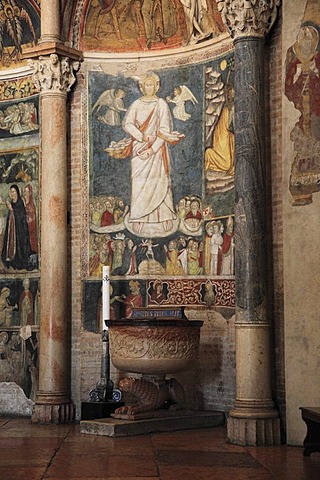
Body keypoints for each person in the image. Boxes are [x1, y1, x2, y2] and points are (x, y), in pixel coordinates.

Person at [123, 71, 182, 236]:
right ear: (142, 87)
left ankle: (165, 215)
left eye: (152, 84)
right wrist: (142, 137)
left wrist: (152, 149)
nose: (149, 87)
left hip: (156, 150)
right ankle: (139, 216)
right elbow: (128, 124)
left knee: (160, 182)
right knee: (140, 183)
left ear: (157, 86)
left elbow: (164, 130)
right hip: (139, 148)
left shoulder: (161, 104)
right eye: (146, 84)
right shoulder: (136, 104)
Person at [1, 184, 34, 270]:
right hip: (12, 230)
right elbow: (10, 217)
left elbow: (22, 216)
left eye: (13, 192)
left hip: (20, 231)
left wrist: (11, 209)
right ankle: (9, 256)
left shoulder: (20, 202)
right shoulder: (12, 203)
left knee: (19, 251)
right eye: (10, 192)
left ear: (17, 192)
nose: (11, 194)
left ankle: (17, 258)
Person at [205, 84, 235, 176]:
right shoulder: (230, 107)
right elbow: (231, 125)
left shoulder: (230, 107)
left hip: (225, 133)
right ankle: (209, 154)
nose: (233, 95)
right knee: (227, 165)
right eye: (232, 93)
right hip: (222, 134)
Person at [23, 184, 38, 254]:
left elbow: (32, 217)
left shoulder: (31, 204)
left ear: (30, 193)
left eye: (27, 192)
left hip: (30, 226)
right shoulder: (22, 202)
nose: (25, 193)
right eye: (24, 191)